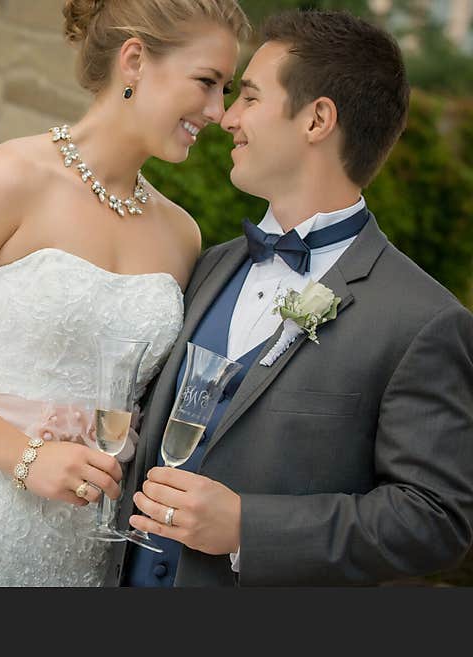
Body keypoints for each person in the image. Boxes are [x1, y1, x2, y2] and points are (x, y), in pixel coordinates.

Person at [0, 0, 250, 586]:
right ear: (135, 60)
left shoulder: (180, 235)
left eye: (226, 90)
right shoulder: (10, 178)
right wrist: (28, 456)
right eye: (206, 83)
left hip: (85, 550)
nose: (218, 111)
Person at [106, 9, 473, 587]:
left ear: (317, 119)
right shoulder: (208, 266)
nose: (226, 117)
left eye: (249, 96)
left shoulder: (422, 322)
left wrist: (250, 527)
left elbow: (435, 518)